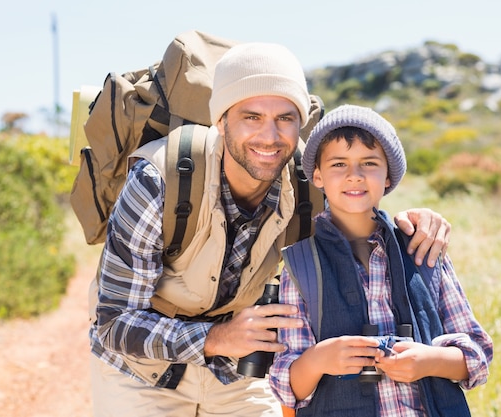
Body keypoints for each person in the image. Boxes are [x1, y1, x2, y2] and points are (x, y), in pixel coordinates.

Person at [89, 42, 453, 417]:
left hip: (241, 370)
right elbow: (115, 322)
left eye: (285, 118)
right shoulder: (158, 179)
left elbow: (360, 208)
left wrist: (412, 222)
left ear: (301, 123)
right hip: (141, 369)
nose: (270, 136)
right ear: (221, 120)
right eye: (251, 117)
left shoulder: (307, 184)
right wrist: (217, 338)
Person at [269, 104, 493, 416]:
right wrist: (320, 359)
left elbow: (478, 356)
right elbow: (286, 388)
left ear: (388, 177)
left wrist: (429, 361)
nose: (354, 176)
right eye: (339, 164)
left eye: (369, 163)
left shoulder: (422, 247)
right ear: (317, 176)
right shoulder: (300, 266)